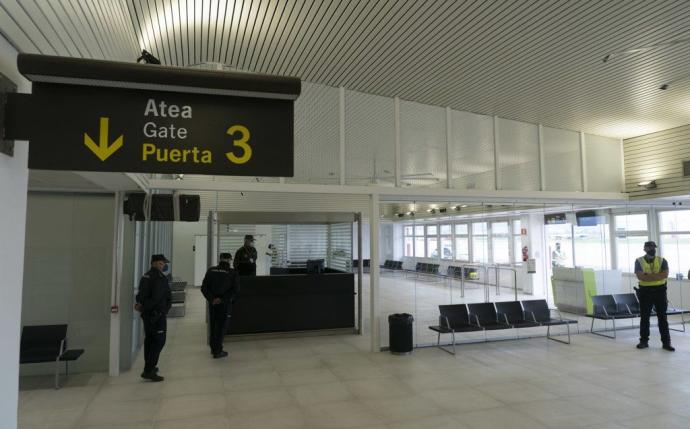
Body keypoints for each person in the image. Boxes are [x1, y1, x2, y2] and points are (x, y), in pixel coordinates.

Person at [135, 254, 172, 381]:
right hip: (156, 315)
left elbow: (140, 295)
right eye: (161, 263)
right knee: (158, 341)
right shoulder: (158, 278)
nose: (163, 266)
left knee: (150, 341)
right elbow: (157, 297)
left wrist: (141, 305)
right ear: (154, 263)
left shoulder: (146, 276)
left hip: (149, 315)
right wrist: (159, 311)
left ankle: (149, 367)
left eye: (163, 264)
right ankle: (149, 370)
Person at [634, 241, 674, 351]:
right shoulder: (639, 261)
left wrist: (649, 276)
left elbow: (665, 275)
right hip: (645, 292)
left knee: (662, 317)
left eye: (654, 247)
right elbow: (641, 277)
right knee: (645, 317)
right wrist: (657, 276)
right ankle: (644, 341)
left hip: (660, 291)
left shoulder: (662, 260)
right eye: (650, 247)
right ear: (645, 249)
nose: (652, 249)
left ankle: (666, 343)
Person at [201, 253, 240, 358]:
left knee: (213, 326)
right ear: (229, 260)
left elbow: (204, 287)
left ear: (220, 259)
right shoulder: (232, 272)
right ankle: (218, 351)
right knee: (221, 327)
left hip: (213, 304)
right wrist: (222, 299)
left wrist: (212, 299)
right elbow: (235, 290)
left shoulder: (211, 270)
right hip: (224, 304)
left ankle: (213, 348)